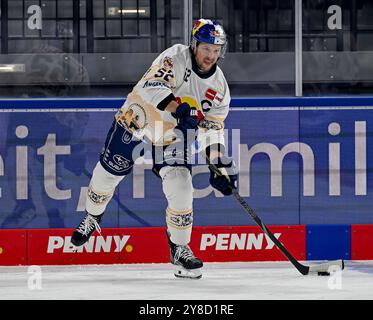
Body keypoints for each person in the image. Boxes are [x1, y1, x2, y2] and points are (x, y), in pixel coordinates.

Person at [71, 18, 238, 279]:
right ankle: (93, 216)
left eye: (217, 50)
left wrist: (219, 164)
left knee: (181, 185)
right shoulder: (175, 56)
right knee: (107, 174)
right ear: (195, 45)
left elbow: (213, 128)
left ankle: (180, 248)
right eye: (207, 48)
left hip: (172, 134)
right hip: (140, 116)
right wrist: (180, 108)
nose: (211, 55)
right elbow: (152, 87)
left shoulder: (219, 89)